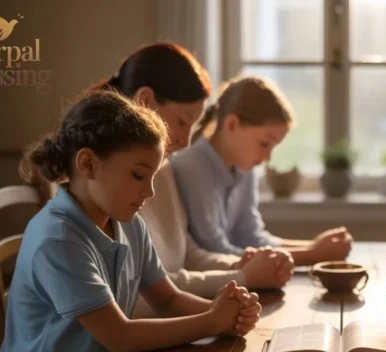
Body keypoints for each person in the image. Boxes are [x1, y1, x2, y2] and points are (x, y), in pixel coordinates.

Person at [0, 91, 262, 352]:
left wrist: (227, 314)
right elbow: (120, 336)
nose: (150, 192)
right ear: (88, 164)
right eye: (139, 175)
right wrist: (211, 320)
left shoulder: (129, 224)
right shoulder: (58, 237)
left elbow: (168, 299)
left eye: (154, 176)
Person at [90, 43, 294, 309]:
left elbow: (186, 253)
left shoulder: (160, 170)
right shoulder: (105, 182)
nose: (186, 142)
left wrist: (238, 265)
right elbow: (140, 295)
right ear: (145, 102)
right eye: (182, 122)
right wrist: (241, 276)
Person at [170, 75, 352, 266]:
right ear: (232, 124)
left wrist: (312, 247)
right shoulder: (191, 168)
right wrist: (313, 255)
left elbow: (251, 237)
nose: (267, 158)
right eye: (264, 144)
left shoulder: (244, 167)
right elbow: (214, 249)